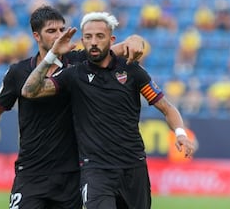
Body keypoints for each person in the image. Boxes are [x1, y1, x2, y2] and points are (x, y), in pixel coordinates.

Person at [0, 5, 146, 209]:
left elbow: (116, 47)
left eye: (61, 30)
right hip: (31, 171)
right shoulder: (18, 72)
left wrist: (135, 39)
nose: (58, 35)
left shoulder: (79, 61)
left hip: (71, 175)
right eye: (51, 31)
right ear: (37, 36)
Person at [21, 11, 196, 209]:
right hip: (96, 172)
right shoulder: (73, 75)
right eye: (88, 37)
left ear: (111, 39)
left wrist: (180, 133)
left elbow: (166, 107)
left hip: (133, 167)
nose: (93, 42)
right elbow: (29, 91)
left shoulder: (131, 71)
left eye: (99, 36)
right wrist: (52, 55)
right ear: (82, 40)